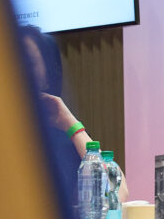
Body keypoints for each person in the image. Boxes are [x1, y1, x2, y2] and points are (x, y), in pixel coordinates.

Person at [20, 24, 129, 202]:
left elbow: (117, 193)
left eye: (28, 63)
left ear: (48, 76)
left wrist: (70, 124)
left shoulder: (61, 140)